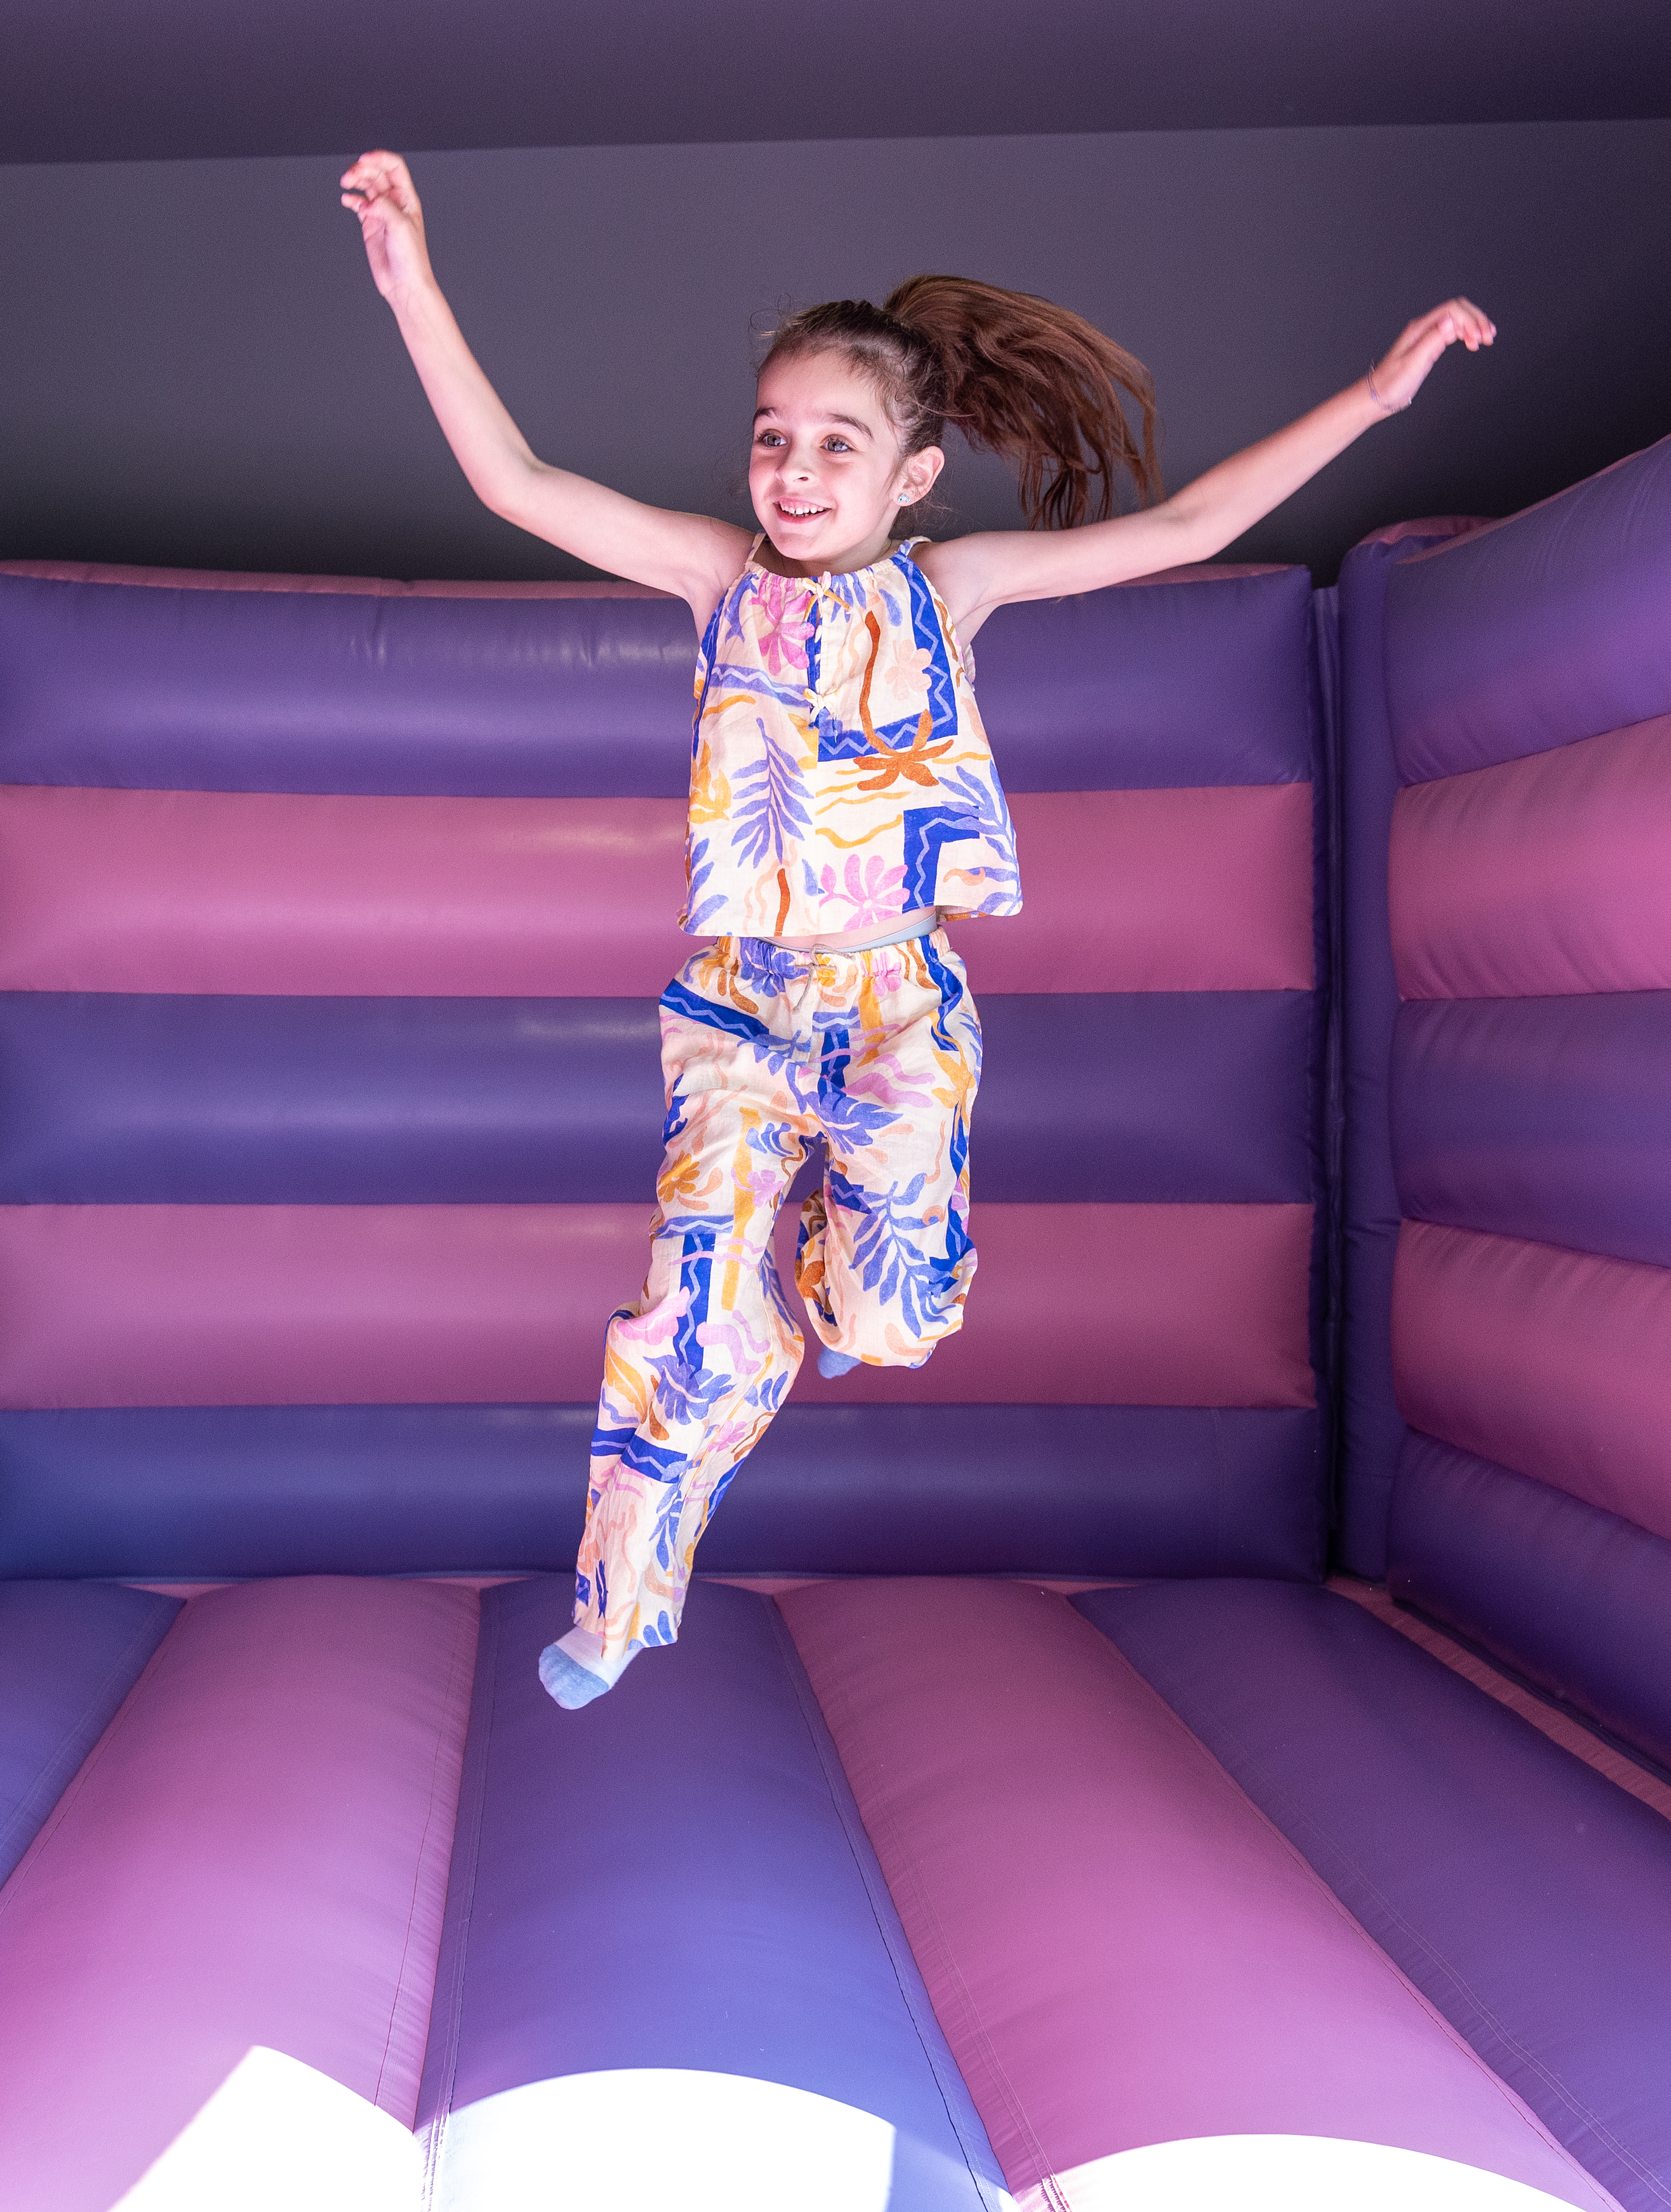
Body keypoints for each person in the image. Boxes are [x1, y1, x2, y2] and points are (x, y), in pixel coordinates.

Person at [339, 149, 1492, 1709]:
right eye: (772, 441)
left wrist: (1373, 393)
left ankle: (813, 1285)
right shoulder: (714, 581)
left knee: (887, 1323)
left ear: (912, 472)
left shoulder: (953, 593)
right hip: (740, 1011)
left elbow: (1191, 526)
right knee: (687, 1318)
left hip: (897, 1013)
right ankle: (622, 1599)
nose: (794, 474)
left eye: (837, 444)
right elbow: (516, 482)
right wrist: (414, 283)